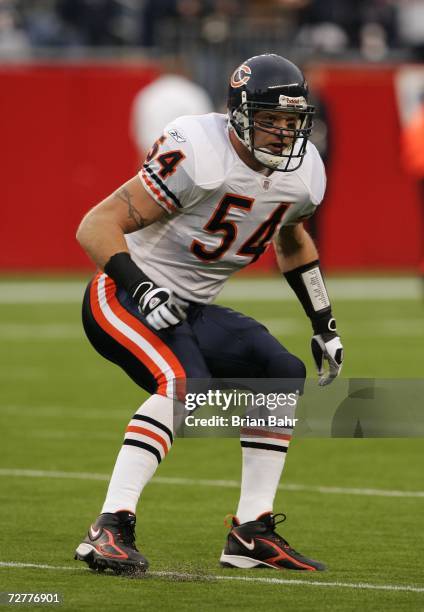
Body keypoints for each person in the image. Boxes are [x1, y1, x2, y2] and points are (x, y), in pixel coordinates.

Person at [74, 53, 343, 575]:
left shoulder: (305, 172)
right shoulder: (198, 151)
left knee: (279, 372)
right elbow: (95, 224)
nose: (283, 133)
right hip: (123, 295)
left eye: (292, 121)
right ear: (239, 113)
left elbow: (292, 237)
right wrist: (144, 289)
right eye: (270, 120)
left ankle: (251, 531)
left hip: (193, 308)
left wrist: (323, 321)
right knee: (183, 383)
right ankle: (109, 527)